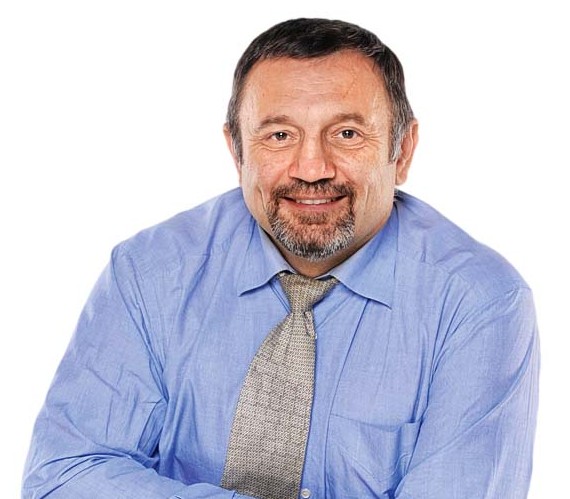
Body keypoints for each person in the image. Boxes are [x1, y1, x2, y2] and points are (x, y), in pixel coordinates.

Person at [22, 17, 539, 499]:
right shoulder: (150, 273)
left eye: (347, 134)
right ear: (237, 152)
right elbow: (62, 477)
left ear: (401, 151)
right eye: (280, 135)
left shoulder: (479, 304)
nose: (312, 168)